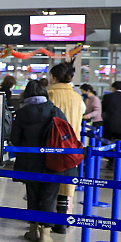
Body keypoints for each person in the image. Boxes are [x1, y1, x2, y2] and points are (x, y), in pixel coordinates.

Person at [9, 80, 69, 242]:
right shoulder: (55, 111)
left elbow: (14, 139)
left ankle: (33, 231)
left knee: (33, 196)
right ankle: (45, 235)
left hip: (30, 162)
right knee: (49, 197)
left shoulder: (22, 113)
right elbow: (65, 133)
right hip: (53, 161)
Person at [46, 61, 83, 232]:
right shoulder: (77, 97)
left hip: (51, 146)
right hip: (71, 147)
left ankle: (45, 221)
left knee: (49, 184)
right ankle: (61, 221)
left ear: (53, 77)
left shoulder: (49, 94)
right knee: (66, 184)